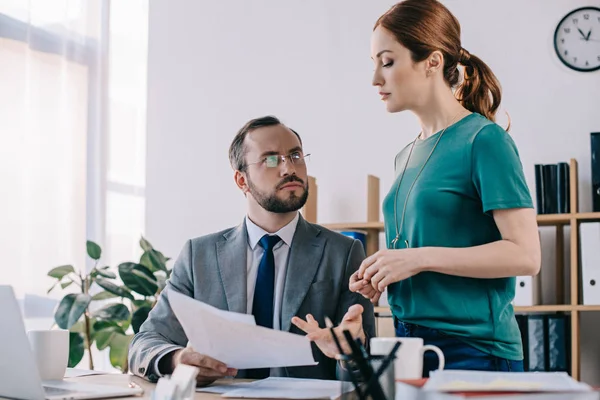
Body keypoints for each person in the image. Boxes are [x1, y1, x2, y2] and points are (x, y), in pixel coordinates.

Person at [350, 0, 541, 376]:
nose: (375, 78)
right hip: (408, 343)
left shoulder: (484, 140)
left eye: (387, 62)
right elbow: (422, 248)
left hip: (474, 350)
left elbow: (526, 255)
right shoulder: (404, 155)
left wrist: (417, 258)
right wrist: (386, 272)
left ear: (432, 62)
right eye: (373, 64)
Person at [129, 116, 375, 385]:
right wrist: (176, 360)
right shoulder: (199, 255)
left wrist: (350, 355)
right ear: (241, 180)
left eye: (295, 155)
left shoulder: (343, 252)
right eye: (270, 159)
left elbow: (369, 371)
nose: (288, 168)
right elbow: (145, 343)